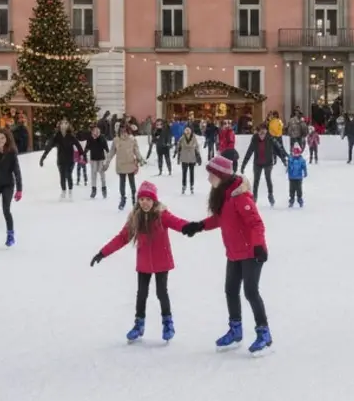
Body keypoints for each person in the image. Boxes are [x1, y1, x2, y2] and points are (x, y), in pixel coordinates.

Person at [180, 155, 273, 354]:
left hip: (251, 252)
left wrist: (258, 246)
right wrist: (200, 226)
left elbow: (256, 223)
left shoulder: (240, 196)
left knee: (250, 291)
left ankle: (264, 332)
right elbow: (221, 219)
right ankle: (235, 329)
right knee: (230, 290)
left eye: (211, 175)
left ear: (221, 175)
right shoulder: (225, 195)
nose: (208, 179)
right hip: (234, 252)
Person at [91, 181, 188, 342]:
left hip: (161, 260)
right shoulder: (135, 219)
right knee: (141, 294)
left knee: (161, 292)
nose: (145, 202)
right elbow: (122, 238)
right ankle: (139, 325)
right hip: (144, 263)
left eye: (148, 199)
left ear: (154, 201)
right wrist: (103, 253)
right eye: (142, 199)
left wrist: (193, 227)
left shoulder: (162, 215)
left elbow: (178, 223)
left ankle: (167, 323)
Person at [241, 124, 288, 206]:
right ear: (258, 133)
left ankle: (270, 195)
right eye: (260, 133)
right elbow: (249, 152)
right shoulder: (255, 139)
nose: (262, 135)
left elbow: (278, 150)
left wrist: (284, 161)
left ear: (266, 132)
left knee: (268, 178)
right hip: (257, 163)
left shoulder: (270, 138)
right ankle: (254, 197)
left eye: (264, 133)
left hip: (268, 163)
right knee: (256, 180)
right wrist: (243, 165)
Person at [39, 119, 84, 199]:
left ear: (68, 126)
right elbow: (49, 147)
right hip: (61, 160)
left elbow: (79, 146)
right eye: (62, 123)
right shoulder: (57, 136)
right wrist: (43, 158)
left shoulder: (71, 136)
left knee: (69, 175)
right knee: (62, 176)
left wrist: (83, 156)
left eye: (65, 123)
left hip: (70, 160)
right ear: (59, 126)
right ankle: (63, 191)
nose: (63, 125)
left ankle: (70, 192)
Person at [106, 124, 147, 211]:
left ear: (128, 131)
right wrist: (107, 162)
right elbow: (111, 152)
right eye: (122, 131)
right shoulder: (116, 140)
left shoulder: (132, 139)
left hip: (130, 164)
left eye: (125, 131)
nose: (123, 133)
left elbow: (136, 151)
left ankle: (134, 199)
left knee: (132, 183)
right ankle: (123, 199)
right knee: (122, 183)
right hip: (121, 165)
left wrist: (140, 159)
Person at [84, 124, 110, 199]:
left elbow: (106, 148)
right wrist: (83, 154)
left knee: (102, 174)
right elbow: (87, 147)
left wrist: (108, 156)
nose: (95, 132)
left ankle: (104, 188)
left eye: (96, 131)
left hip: (101, 158)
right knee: (93, 174)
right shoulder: (90, 138)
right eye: (93, 131)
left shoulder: (102, 137)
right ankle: (93, 190)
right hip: (93, 158)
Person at [176, 125, 202, 195]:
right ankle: (184, 186)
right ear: (184, 131)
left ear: (190, 131)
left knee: (191, 173)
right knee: (184, 173)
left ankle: (191, 186)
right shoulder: (182, 138)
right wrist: (178, 155)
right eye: (186, 130)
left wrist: (198, 155)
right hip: (184, 158)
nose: (187, 132)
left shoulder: (194, 137)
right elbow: (178, 147)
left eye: (188, 130)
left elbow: (197, 147)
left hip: (192, 157)